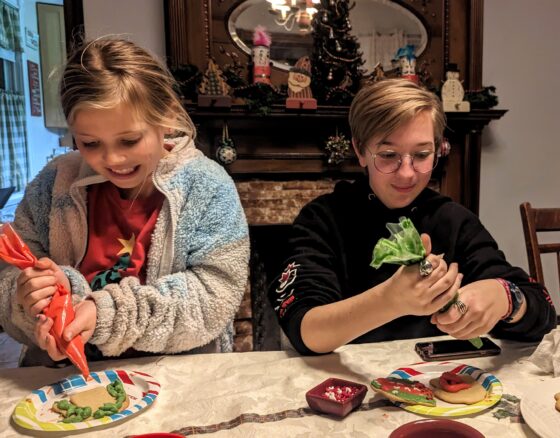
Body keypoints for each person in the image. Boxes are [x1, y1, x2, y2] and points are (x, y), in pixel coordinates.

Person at [0, 37, 249, 364]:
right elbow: (8, 286)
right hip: (66, 379)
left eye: (129, 140)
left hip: (179, 376)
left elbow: (214, 298)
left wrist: (104, 315)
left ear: (166, 117)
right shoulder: (52, 185)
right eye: (89, 143)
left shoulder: (208, 186)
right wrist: (33, 304)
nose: (113, 158)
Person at [268, 78, 556, 355]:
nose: (406, 173)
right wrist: (390, 301)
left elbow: (543, 313)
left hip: (438, 389)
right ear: (360, 150)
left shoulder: (453, 220)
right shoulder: (322, 220)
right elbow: (304, 329)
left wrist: (505, 297)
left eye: (421, 155)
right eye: (388, 154)